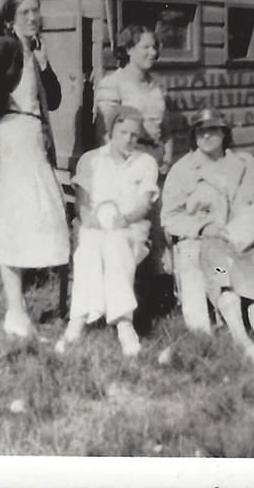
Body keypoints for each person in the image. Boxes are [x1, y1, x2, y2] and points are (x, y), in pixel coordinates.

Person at [159, 107, 254, 366]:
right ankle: (207, 336)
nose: (207, 136)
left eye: (213, 130)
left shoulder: (246, 164)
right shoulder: (183, 170)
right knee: (215, 273)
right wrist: (201, 227)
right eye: (201, 131)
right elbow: (170, 217)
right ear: (194, 136)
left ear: (225, 133)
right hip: (209, 245)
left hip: (246, 241)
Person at [0, 0, 70, 338]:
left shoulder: (31, 50)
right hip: (13, 141)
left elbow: (52, 100)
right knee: (14, 221)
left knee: (37, 219)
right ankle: (15, 312)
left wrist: (45, 63)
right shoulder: (7, 45)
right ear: (10, 20)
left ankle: (21, 308)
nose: (33, 18)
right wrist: (2, 100)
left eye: (36, 11)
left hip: (33, 141)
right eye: (24, 12)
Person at [56, 106, 159, 357]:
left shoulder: (146, 162)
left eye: (134, 135)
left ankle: (125, 326)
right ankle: (76, 323)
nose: (129, 139)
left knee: (114, 247)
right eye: (123, 132)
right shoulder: (91, 160)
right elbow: (82, 200)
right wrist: (88, 217)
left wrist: (127, 218)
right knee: (89, 248)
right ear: (111, 131)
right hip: (96, 224)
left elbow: (144, 205)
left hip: (130, 227)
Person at [95, 24, 173, 171]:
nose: (153, 52)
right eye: (146, 47)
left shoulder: (158, 86)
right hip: (126, 162)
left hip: (157, 162)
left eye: (155, 47)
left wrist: (167, 161)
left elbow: (166, 131)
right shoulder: (113, 84)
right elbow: (105, 134)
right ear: (129, 49)